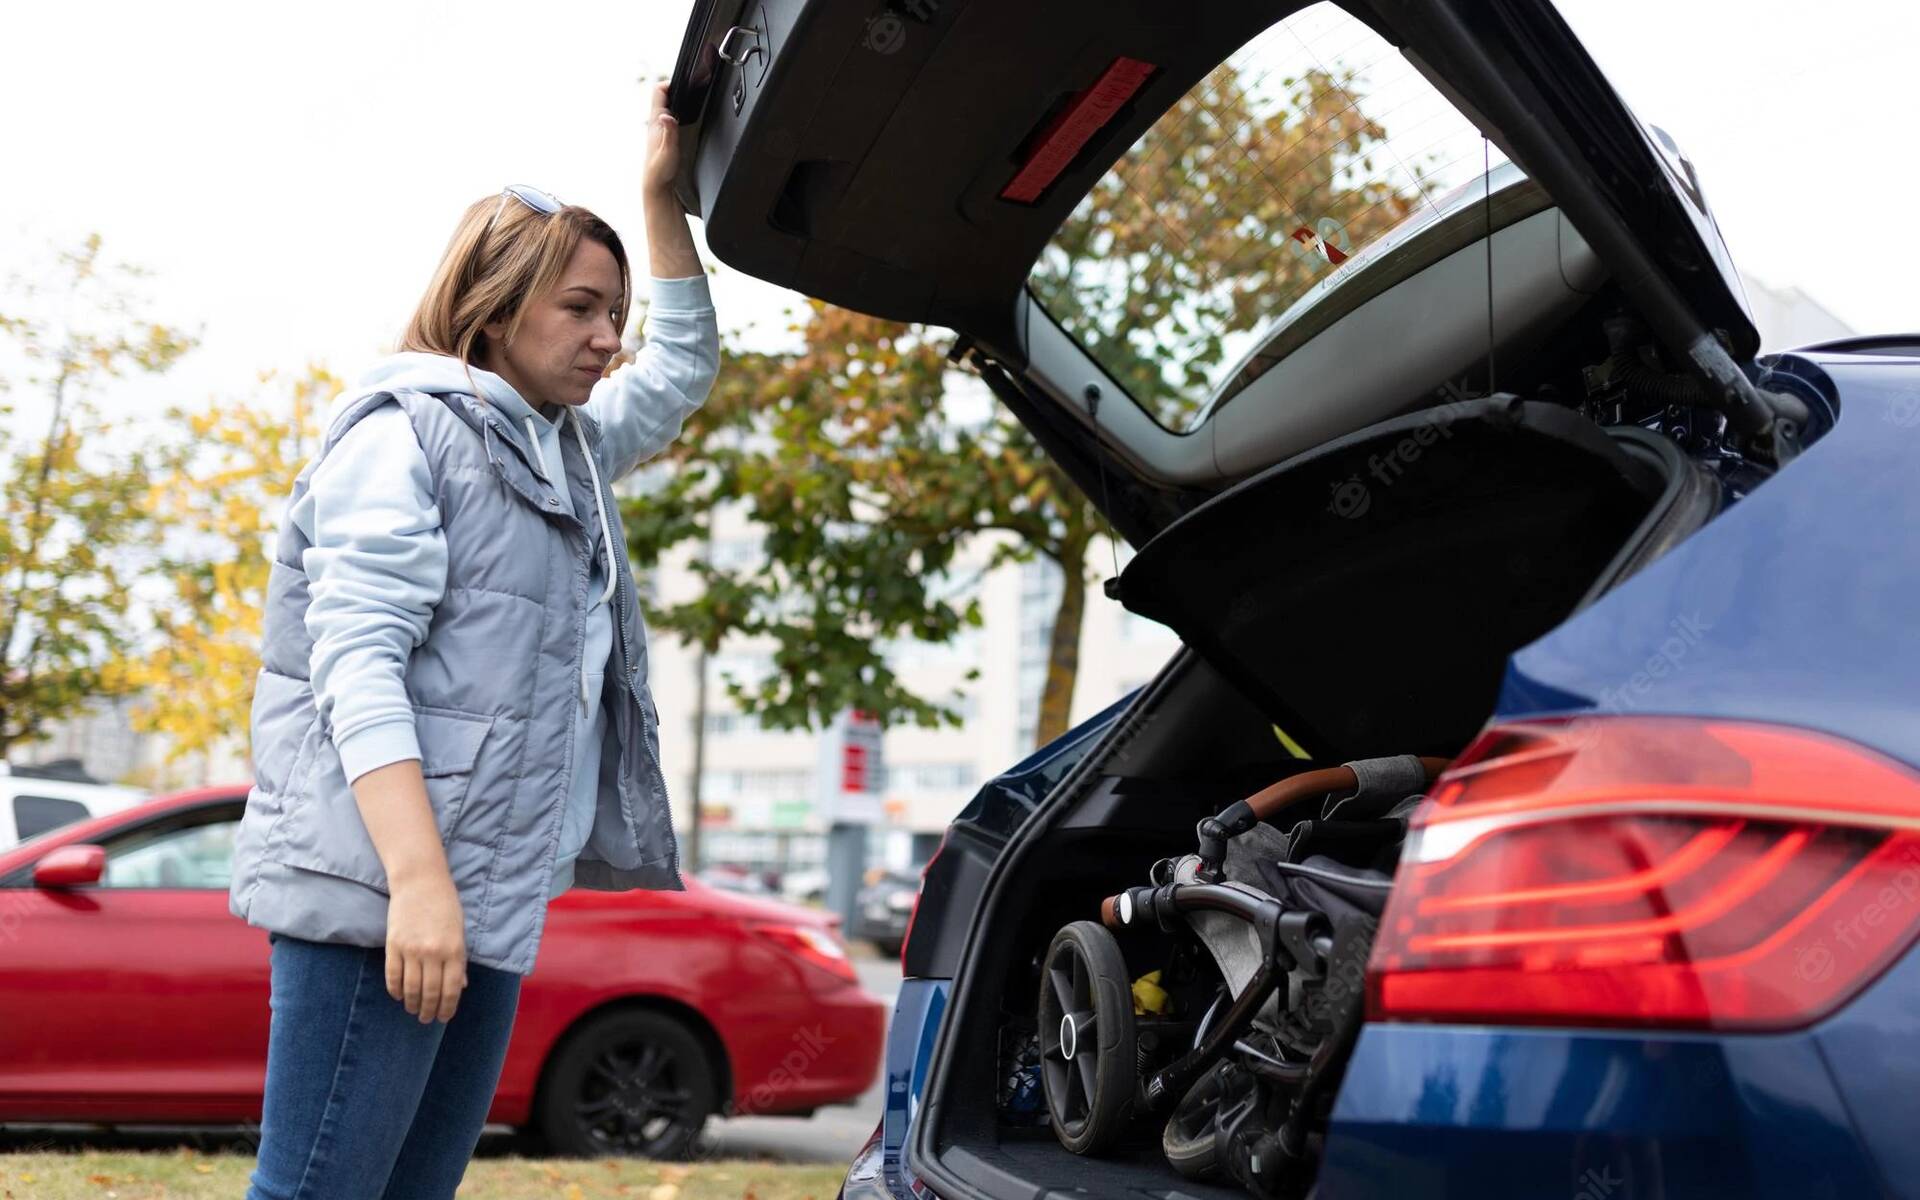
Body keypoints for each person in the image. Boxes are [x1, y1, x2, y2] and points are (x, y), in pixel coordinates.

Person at [227, 81, 719, 1199]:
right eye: (583, 310)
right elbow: (359, 667)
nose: (611, 337)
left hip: (480, 895)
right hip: (386, 896)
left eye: (615, 311)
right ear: (495, 311)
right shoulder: (404, 439)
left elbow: (683, 370)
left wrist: (660, 197)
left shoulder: (571, 447)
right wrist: (419, 887)